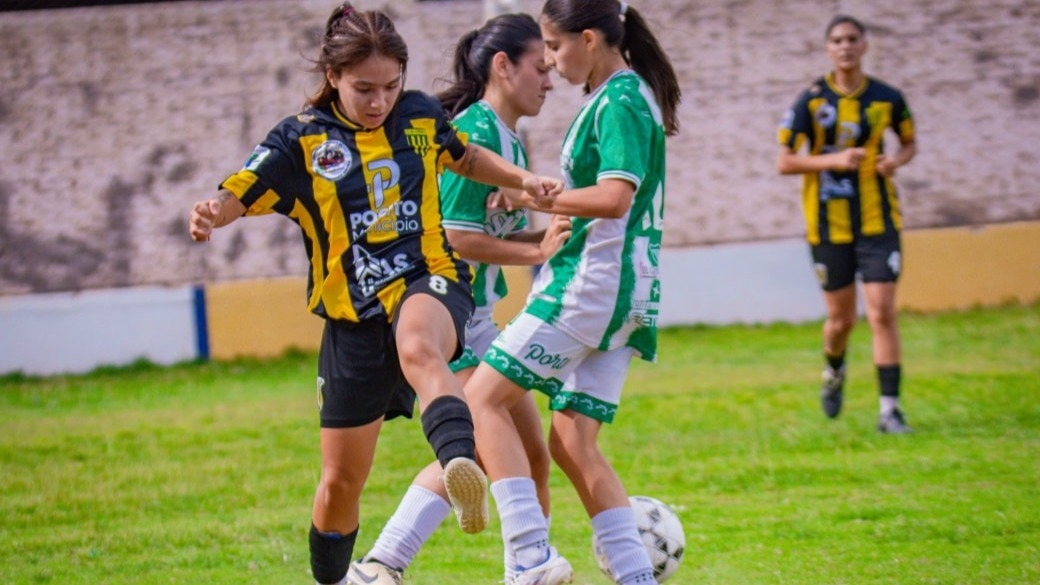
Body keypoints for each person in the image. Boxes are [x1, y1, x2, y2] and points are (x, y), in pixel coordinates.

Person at [187, 4, 564, 585]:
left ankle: (461, 463)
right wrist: (216, 211)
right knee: (340, 483)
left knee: (419, 344)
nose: (379, 101)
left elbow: (461, 154)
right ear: (333, 77)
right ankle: (342, 579)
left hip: (430, 277)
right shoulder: (300, 141)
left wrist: (521, 181)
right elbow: (243, 189)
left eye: (391, 86)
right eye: (364, 88)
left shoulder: (417, 116)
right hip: (352, 318)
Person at [344, 13, 571, 585]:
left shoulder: (506, 137)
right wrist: (535, 252)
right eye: (540, 68)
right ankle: (526, 562)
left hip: (478, 318)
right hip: (450, 316)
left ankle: (382, 567)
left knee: (522, 455)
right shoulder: (477, 132)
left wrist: (539, 239)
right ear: (503, 66)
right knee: (493, 440)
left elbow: (483, 231)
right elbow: (454, 236)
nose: (549, 81)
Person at [464, 1, 681, 584]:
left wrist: (536, 196)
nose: (553, 64)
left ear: (588, 39)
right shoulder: (623, 96)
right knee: (571, 444)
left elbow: (613, 198)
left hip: (592, 287)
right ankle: (636, 577)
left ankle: (530, 557)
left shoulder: (620, 100)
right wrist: (527, 198)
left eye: (555, 49)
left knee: (482, 399)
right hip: (626, 294)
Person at [776, 14, 917, 434]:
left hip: (878, 222)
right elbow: (784, 161)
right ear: (828, 49)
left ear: (864, 45)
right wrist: (833, 160)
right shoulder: (811, 101)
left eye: (853, 39)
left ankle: (890, 411)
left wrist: (896, 160)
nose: (845, 46)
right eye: (837, 40)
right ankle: (834, 370)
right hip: (827, 225)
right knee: (841, 320)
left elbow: (909, 142)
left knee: (882, 313)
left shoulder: (887, 98)